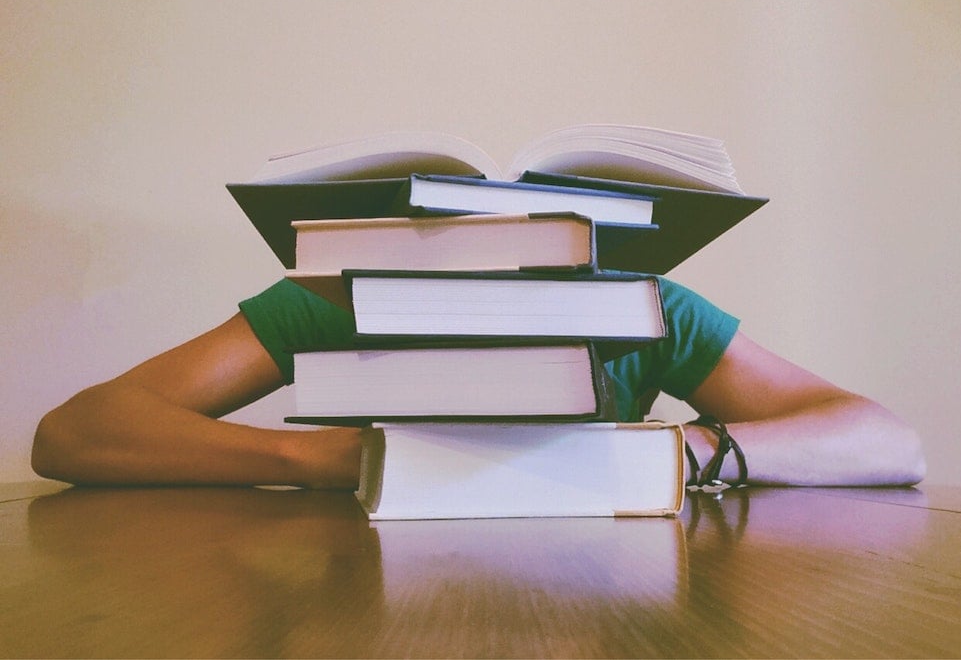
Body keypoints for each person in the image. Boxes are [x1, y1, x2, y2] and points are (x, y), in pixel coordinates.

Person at [31, 276, 926, 489]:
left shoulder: (641, 309)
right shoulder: (338, 296)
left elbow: (887, 440)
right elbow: (73, 433)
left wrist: (685, 450)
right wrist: (337, 458)